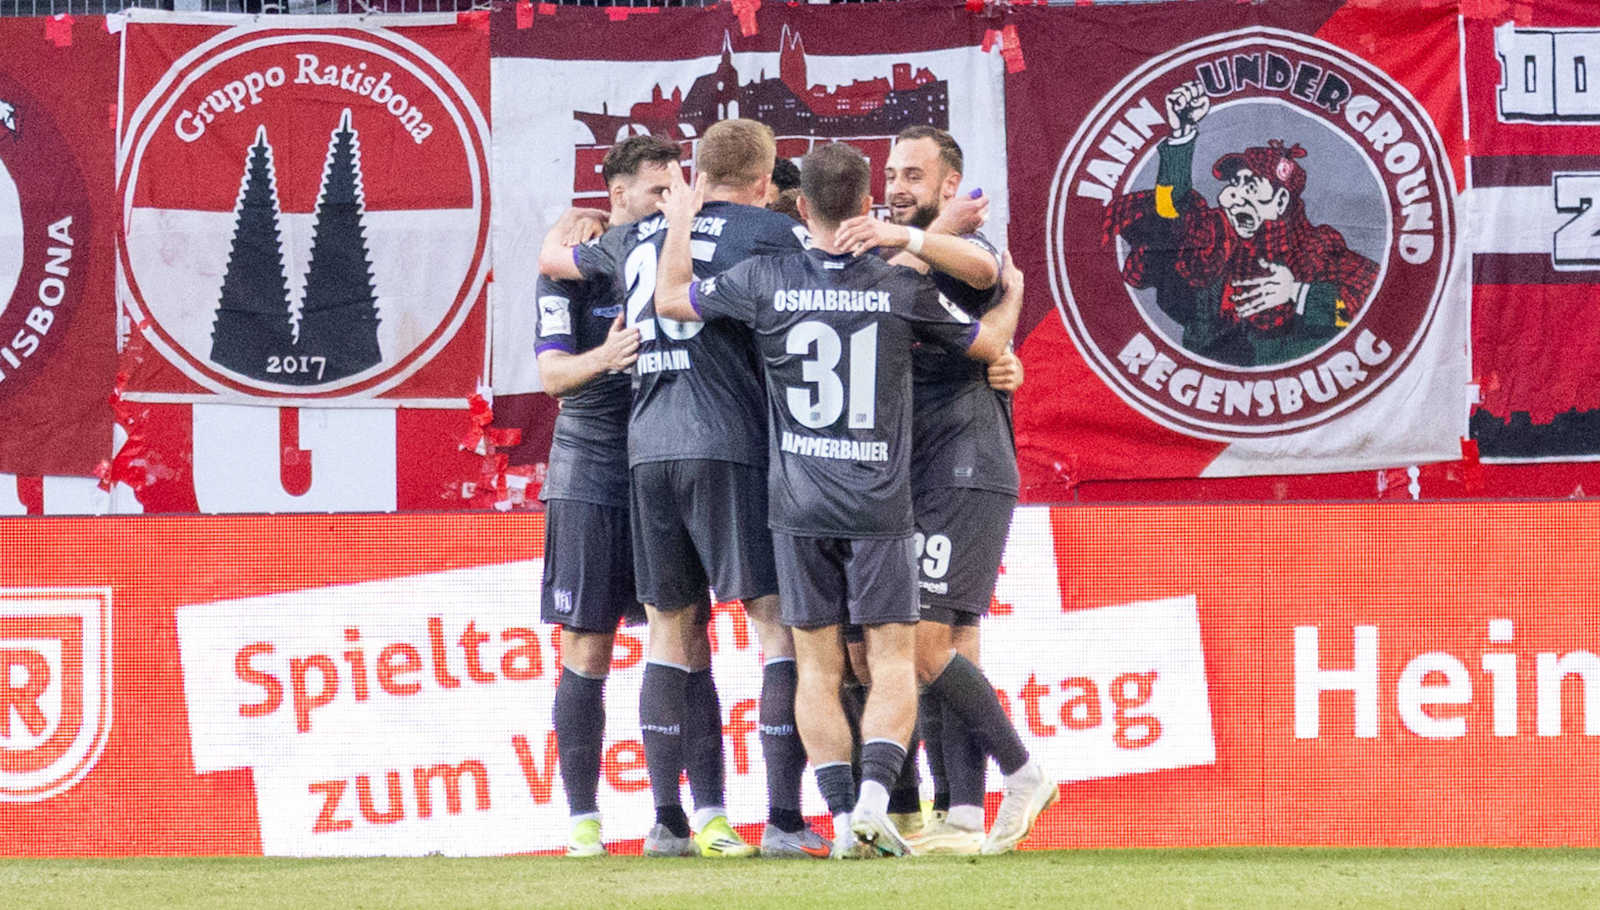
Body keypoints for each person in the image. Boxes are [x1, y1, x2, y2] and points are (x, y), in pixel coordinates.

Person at [652, 142, 1042, 858]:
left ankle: (846, 822)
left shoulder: (764, 277)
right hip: (879, 502)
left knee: (819, 668)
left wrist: (681, 223)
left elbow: (671, 300)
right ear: (866, 204)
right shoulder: (894, 286)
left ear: (800, 207)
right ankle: (877, 804)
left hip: (798, 503)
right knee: (894, 661)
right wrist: (1012, 301)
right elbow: (989, 343)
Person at [540, 119, 822, 858]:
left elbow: (556, 257)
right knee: (773, 625)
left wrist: (568, 226)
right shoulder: (770, 232)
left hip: (645, 450)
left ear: (696, 173)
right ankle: (785, 820)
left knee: (671, 630)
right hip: (725, 441)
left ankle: (667, 822)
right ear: (762, 181)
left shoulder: (635, 236)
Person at [832, 126, 1049, 855]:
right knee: (945, 648)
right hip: (914, 468)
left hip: (963, 463)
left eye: (913, 175)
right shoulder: (890, 253)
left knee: (924, 645)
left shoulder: (960, 245)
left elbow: (988, 271)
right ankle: (960, 815)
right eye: (891, 173)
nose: (897, 187)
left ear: (951, 186)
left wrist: (922, 238)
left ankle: (1021, 775)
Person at [533, 134, 678, 858]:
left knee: (679, 639)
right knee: (587, 647)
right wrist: (606, 357)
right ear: (618, 195)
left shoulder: (676, 255)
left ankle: (676, 817)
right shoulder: (571, 269)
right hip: (589, 473)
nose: (670, 202)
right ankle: (583, 822)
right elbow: (553, 377)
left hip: (662, 468)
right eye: (658, 191)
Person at [1103, 80, 1378, 367]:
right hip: (1206, 382)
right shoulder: (1213, 240)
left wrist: (1297, 293)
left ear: (1280, 202)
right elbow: (1168, 212)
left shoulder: (1317, 249)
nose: (1232, 195)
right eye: (1234, 183)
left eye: (1251, 185)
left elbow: (1368, 312)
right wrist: (1182, 136)